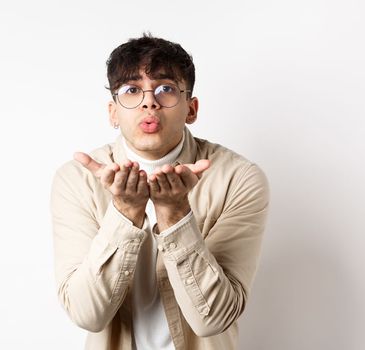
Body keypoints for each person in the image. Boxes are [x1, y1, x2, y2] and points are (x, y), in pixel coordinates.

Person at [50, 33, 270, 350]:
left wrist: (176, 215)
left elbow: (214, 319)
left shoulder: (238, 178)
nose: (149, 102)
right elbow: (87, 314)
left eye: (165, 88)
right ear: (113, 112)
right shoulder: (76, 179)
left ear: (191, 108)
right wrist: (124, 214)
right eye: (132, 90)